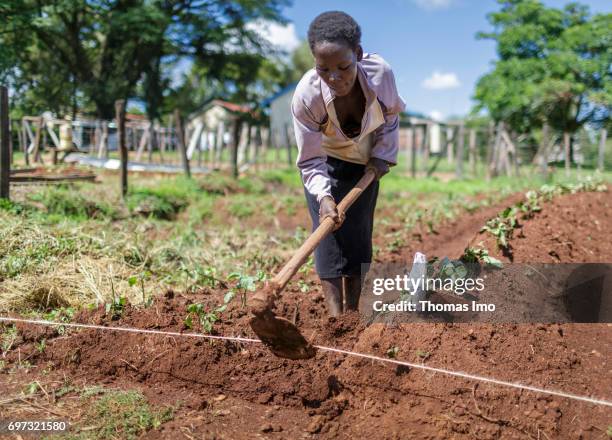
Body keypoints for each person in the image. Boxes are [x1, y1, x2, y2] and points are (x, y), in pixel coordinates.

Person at [292, 11, 405, 316]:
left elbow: (391, 115)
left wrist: (384, 154)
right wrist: (325, 197)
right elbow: (310, 158)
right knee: (326, 235)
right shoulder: (306, 96)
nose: (334, 77)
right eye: (323, 69)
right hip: (324, 161)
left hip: (365, 160)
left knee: (357, 233)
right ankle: (334, 316)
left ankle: (353, 314)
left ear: (357, 54)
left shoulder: (379, 73)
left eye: (343, 67)